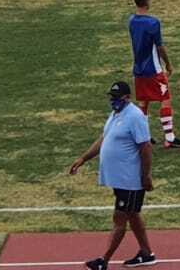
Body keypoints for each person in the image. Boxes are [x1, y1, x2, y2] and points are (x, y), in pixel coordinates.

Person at [67, 80, 157, 270]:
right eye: (111, 97)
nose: (113, 100)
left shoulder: (135, 117)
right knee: (133, 215)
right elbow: (104, 138)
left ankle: (104, 261)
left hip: (130, 180)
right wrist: (84, 158)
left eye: (116, 97)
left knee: (119, 219)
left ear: (127, 97)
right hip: (120, 179)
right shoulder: (116, 114)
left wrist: (146, 176)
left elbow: (146, 147)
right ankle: (146, 253)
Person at [129, 0, 180, 148]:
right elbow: (159, 47)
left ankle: (144, 136)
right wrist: (168, 64)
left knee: (144, 102)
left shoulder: (131, 21)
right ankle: (169, 138)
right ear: (147, 2)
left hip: (138, 70)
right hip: (153, 70)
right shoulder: (153, 23)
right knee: (165, 99)